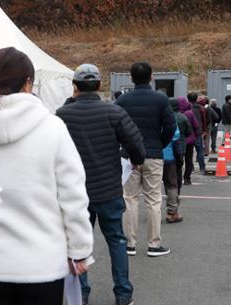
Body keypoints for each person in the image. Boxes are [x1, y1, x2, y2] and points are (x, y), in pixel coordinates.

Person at [0, 47, 94, 305]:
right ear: (28, 82)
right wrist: (80, 251)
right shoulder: (52, 128)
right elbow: (72, 196)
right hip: (42, 265)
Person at [57, 64, 145, 305]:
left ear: (74, 86)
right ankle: (123, 294)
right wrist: (136, 161)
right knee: (116, 240)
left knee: (77, 243)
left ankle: (82, 294)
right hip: (108, 189)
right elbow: (136, 144)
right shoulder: (113, 112)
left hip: (74, 192)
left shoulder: (62, 115)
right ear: (99, 85)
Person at [116, 62, 176, 257]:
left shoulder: (123, 100)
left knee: (129, 199)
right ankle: (154, 244)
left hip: (129, 155)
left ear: (131, 78)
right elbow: (169, 126)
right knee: (153, 200)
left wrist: (124, 144)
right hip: (153, 153)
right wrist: (159, 143)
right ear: (152, 77)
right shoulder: (160, 99)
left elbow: (115, 126)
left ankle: (129, 244)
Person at [166, 98, 193, 222]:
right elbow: (188, 132)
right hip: (178, 150)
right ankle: (174, 205)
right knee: (175, 180)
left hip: (161, 153)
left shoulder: (164, 117)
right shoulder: (182, 117)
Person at [178, 97, 200, 186]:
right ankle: (187, 178)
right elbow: (196, 125)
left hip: (178, 140)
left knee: (178, 160)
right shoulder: (189, 113)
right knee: (189, 160)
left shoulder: (175, 113)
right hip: (190, 140)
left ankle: (177, 177)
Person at [188, 92, 207, 173]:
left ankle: (190, 168)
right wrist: (204, 130)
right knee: (199, 150)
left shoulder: (186, 107)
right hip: (197, 131)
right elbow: (204, 120)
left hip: (188, 132)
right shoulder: (200, 108)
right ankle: (202, 167)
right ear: (196, 99)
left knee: (189, 151)